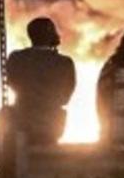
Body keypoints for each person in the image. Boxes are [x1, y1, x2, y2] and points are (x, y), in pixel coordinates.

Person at [5, 17, 76, 145]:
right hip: (52, 125)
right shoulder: (65, 63)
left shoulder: (16, 58)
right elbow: (66, 97)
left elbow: (11, 83)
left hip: (22, 121)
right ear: (52, 36)